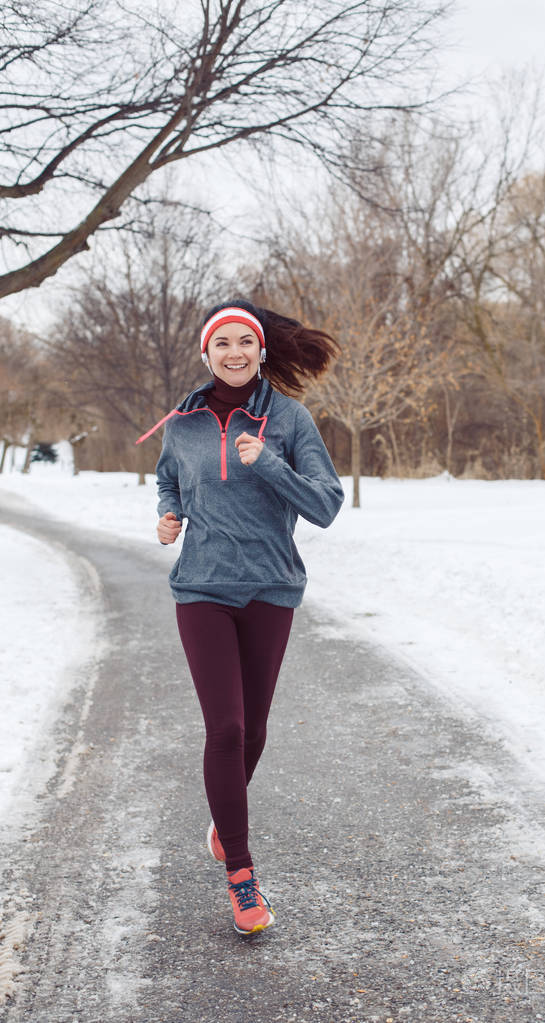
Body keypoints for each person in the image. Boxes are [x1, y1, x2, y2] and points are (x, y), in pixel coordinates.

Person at [137, 299, 344, 936]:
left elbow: (328, 505)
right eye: (220, 343)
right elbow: (168, 478)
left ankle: (224, 827)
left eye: (243, 343)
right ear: (207, 353)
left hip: (269, 588)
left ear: (260, 351)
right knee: (225, 728)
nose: (233, 352)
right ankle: (242, 876)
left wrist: (270, 463)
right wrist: (170, 515)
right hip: (201, 587)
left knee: (254, 731)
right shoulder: (185, 421)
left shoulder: (288, 418)